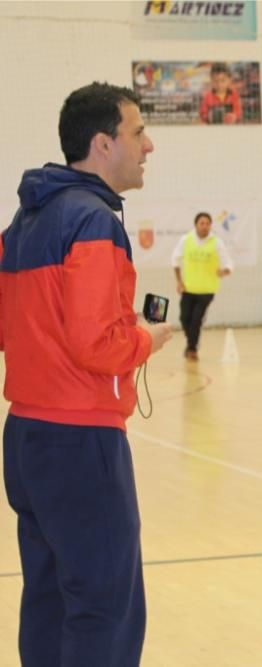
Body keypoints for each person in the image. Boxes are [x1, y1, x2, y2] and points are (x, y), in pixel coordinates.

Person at [0, 82, 172, 667]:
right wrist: (148, 337)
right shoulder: (94, 221)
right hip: (81, 441)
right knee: (104, 607)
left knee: (47, 601)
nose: (149, 145)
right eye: (138, 132)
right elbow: (97, 344)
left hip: (25, 438)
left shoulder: (26, 220)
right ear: (103, 144)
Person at [172, 211, 234, 360]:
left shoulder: (217, 242)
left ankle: (192, 349)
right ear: (196, 225)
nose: (205, 226)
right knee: (184, 318)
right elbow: (175, 260)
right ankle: (191, 342)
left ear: (210, 226)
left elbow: (228, 264)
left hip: (207, 290)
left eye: (208, 223)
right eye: (202, 223)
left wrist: (224, 271)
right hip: (188, 288)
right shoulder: (186, 240)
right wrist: (179, 281)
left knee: (196, 320)